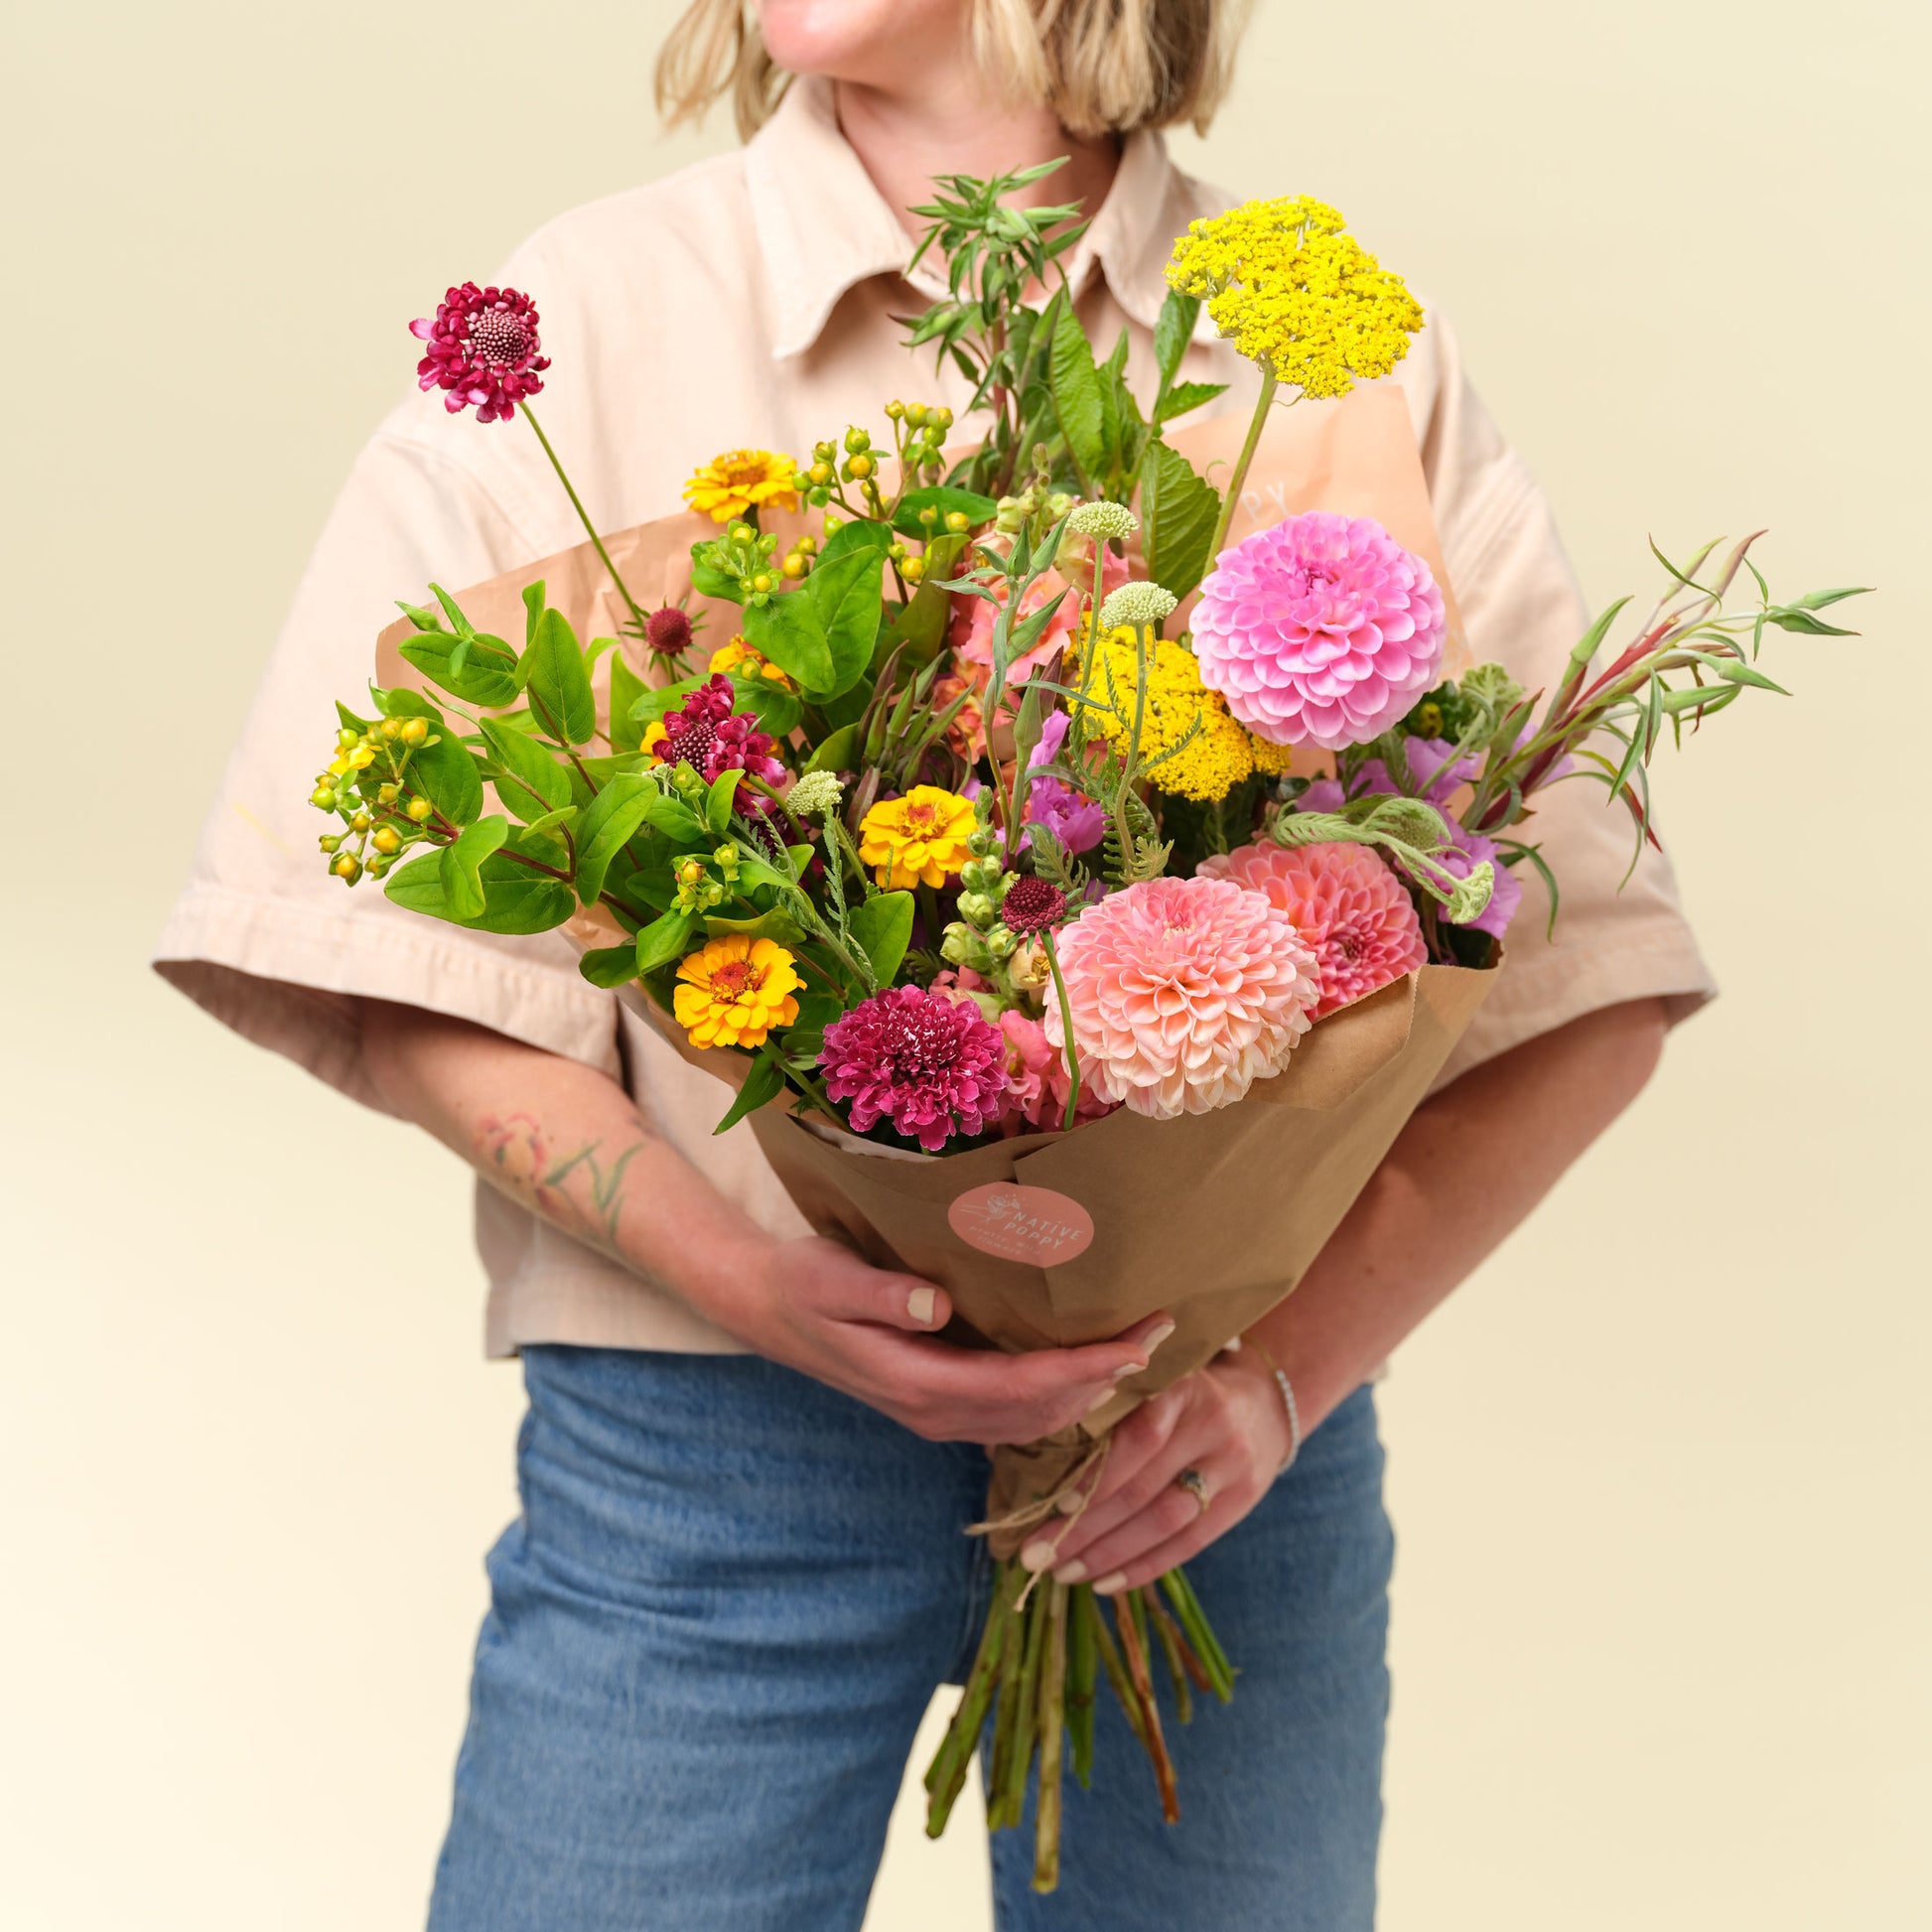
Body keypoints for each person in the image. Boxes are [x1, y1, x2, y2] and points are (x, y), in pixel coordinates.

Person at [155, 1, 1715, 1924]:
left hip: (1210, 1473)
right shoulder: (595, 324)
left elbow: (1584, 975)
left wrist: (1276, 1394)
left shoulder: (1327, 354)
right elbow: (381, 965)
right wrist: (750, 1273)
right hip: (706, 1455)